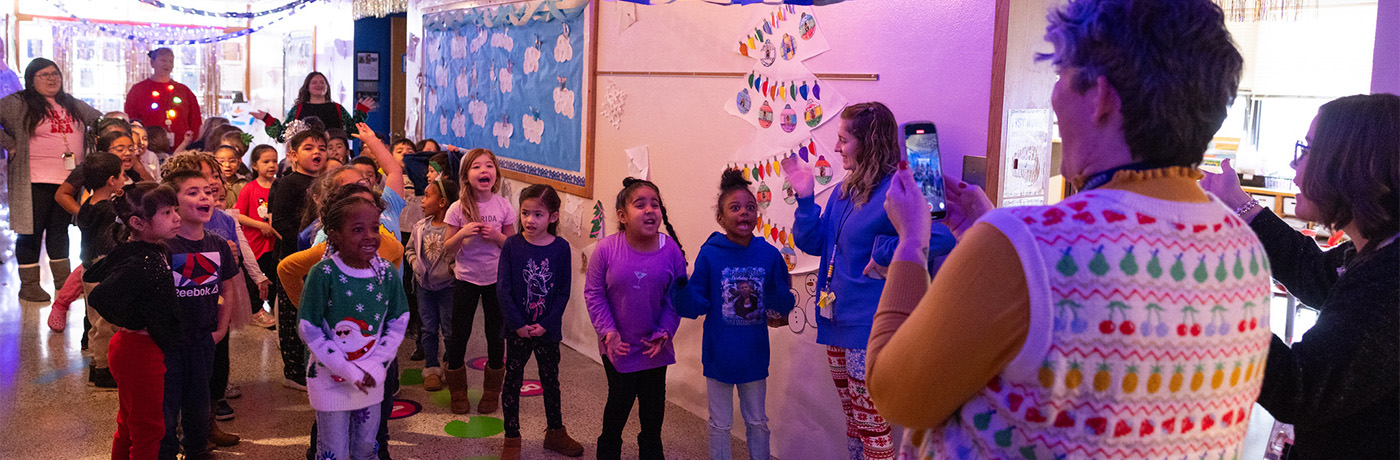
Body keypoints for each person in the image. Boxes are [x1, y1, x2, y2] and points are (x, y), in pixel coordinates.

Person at [865, 2, 1272, 459]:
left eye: (1059, 76)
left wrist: (912, 243)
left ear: (1100, 96)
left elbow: (896, 395)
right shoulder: (1245, 251)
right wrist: (995, 241)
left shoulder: (1021, 245)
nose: (1054, 98)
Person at [1200, 93, 1400, 458]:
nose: (1294, 163)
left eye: (1307, 150)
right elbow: (1316, 273)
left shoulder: (1390, 277)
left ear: (1351, 164)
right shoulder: (1378, 249)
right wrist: (1237, 201)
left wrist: (1206, 300)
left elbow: (1300, 386)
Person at [787, 102, 955, 460]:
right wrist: (804, 199)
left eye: (844, 140)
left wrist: (882, 251)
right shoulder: (844, 190)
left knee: (873, 429)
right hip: (835, 322)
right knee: (854, 424)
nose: (836, 148)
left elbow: (941, 236)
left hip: (869, 328)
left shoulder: (900, 187)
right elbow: (815, 242)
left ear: (868, 142)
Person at [670, 169, 795, 460]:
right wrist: (681, 289)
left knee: (757, 421)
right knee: (720, 424)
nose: (744, 213)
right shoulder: (710, 253)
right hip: (718, 355)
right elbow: (695, 304)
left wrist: (781, 298)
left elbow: (781, 305)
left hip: (753, 355)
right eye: (735, 208)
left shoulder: (769, 255)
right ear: (721, 218)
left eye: (750, 208)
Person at [277, 183, 404, 460]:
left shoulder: (387, 273)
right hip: (330, 380)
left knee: (366, 448)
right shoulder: (322, 273)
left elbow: (398, 320)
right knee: (334, 450)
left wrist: (375, 363)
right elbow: (309, 328)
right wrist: (348, 369)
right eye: (358, 229)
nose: (370, 236)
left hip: (371, 378)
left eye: (375, 228)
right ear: (334, 235)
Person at [585, 178, 687, 460]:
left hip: (655, 347)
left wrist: (665, 331)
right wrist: (608, 332)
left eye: (655, 204)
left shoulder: (671, 250)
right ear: (622, 215)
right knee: (619, 403)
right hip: (618, 346)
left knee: (653, 411)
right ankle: (608, 450)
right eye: (640, 205)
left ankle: (651, 452)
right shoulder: (605, 249)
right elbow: (594, 293)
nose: (650, 210)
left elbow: (675, 297)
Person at [85, 182, 183, 460]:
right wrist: (136, 321)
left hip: (136, 349)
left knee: (129, 425)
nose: (176, 217)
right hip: (139, 351)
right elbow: (100, 296)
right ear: (137, 222)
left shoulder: (153, 252)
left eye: (175, 209)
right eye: (166, 213)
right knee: (148, 430)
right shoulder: (142, 260)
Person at [154, 169, 241, 460]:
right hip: (168, 343)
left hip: (203, 339)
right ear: (174, 204)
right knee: (166, 406)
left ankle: (197, 449)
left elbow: (228, 289)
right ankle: (165, 452)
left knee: (199, 404)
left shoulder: (217, 244)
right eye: (193, 192)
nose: (204, 196)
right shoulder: (164, 247)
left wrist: (221, 328)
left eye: (207, 191)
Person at [0, 58, 103, 302]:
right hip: (33, 179)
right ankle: (30, 285)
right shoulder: (18, 103)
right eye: (44, 74)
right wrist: (9, 144)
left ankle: (64, 284)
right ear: (31, 79)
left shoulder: (71, 104)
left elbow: (101, 121)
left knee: (60, 231)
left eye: (54, 73)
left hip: (68, 181)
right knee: (31, 231)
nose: (51, 78)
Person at [496, 184, 584, 460]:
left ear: (553, 217)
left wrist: (546, 323)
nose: (530, 220)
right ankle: (511, 437)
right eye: (525, 213)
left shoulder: (561, 248)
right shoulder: (512, 245)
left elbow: (563, 292)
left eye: (538, 214)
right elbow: (504, 289)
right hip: (517, 330)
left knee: (551, 381)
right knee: (512, 382)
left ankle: (555, 432)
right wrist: (517, 324)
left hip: (547, 331)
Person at [442, 148, 516, 415]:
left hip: (496, 280)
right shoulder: (457, 208)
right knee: (458, 334)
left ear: (495, 174)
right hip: (466, 279)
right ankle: (458, 391)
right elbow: (447, 247)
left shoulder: (504, 205)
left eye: (488, 166)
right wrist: (462, 233)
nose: (483, 171)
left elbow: (512, 246)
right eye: (476, 167)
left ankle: (491, 392)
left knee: (496, 334)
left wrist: (496, 236)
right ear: (466, 175)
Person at [269, 122, 328, 390]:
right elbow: (279, 222)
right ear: (292, 154)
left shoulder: (326, 181)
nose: (317, 152)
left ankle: (318, 362)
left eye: (322, 148)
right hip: (296, 258)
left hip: (320, 257)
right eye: (308, 147)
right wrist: (304, 246)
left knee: (316, 312)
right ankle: (292, 371)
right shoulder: (288, 183)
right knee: (293, 313)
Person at [73, 152, 126, 389]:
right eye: (122, 175)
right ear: (111, 180)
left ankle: (97, 365)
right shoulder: (108, 210)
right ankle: (105, 371)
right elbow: (114, 239)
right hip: (104, 271)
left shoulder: (87, 204)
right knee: (106, 323)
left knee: (96, 322)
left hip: (89, 269)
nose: (124, 179)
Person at [404, 178, 458, 391]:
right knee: (427, 328)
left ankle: (451, 365)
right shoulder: (419, 228)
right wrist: (415, 264)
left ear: (443, 202)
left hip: (448, 288)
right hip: (424, 288)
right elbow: (408, 250)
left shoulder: (454, 230)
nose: (423, 201)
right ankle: (432, 367)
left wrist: (452, 269)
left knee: (450, 329)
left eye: (427, 196)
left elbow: (462, 254)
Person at [252, 72, 374, 141]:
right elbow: (282, 135)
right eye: (314, 82)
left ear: (327, 87)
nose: (319, 85)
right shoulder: (298, 109)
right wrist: (267, 119)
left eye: (322, 82)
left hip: (335, 158)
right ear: (307, 87)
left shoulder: (337, 108)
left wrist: (361, 112)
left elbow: (352, 131)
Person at [236, 144, 281, 327]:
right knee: (253, 278)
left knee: (273, 275)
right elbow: (238, 214)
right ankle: (256, 310)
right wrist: (260, 225)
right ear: (255, 165)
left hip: (274, 243)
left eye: (275, 161)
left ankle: (272, 307)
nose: (271, 165)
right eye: (266, 161)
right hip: (254, 242)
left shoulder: (280, 186)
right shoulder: (249, 189)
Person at [124, 48, 202, 147]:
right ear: (152, 63)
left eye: (171, 61)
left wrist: (192, 143)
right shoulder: (138, 90)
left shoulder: (184, 90)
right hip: (149, 147)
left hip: (182, 146)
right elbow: (131, 120)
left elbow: (195, 120)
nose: (168, 64)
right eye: (163, 60)